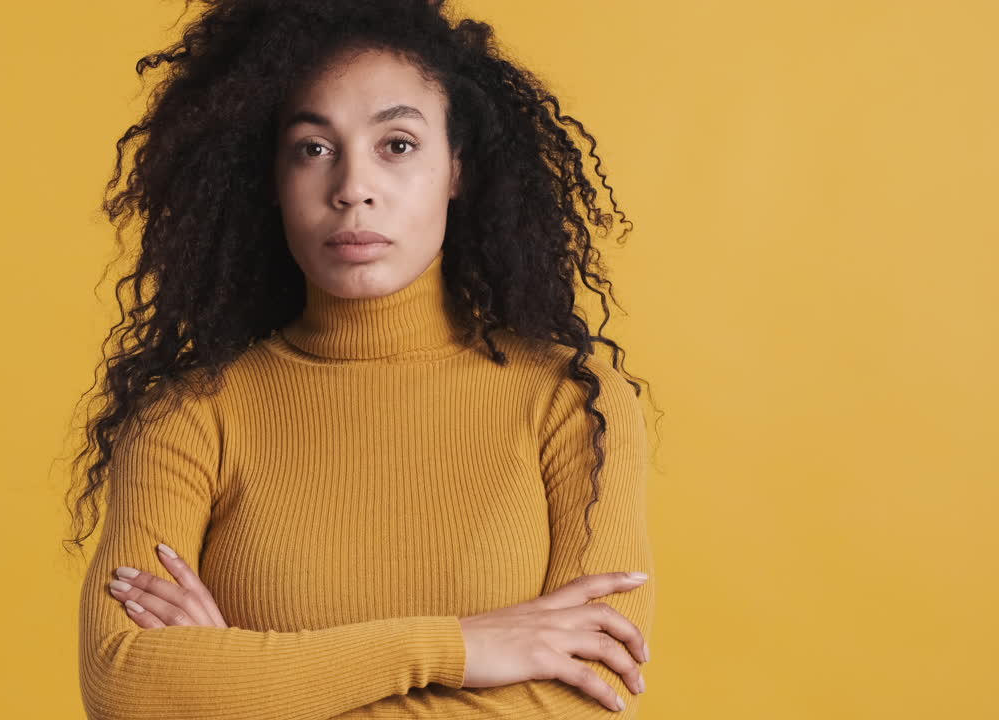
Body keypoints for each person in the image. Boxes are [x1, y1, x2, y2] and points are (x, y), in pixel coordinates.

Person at [64, 0, 660, 717]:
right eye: (313, 148)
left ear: (456, 171)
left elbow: (581, 702)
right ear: (271, 181)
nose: (352, 188)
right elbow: (125, 686)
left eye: (397, 145)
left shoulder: (573, 401)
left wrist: (246, 686)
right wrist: (461, 648)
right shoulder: (188, 416)